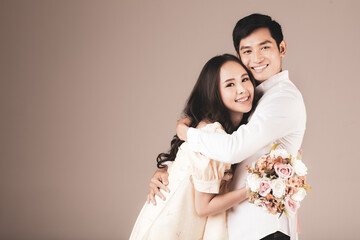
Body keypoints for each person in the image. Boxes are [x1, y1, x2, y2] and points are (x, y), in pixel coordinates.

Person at [148, 14, 306, 240]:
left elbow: (233, 148)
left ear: (282, 48)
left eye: (265, 47)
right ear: (240, 55)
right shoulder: (253, 99)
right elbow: (217, 143)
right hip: (241, 227)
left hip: (265, 227)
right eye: (247, 51)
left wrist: (186, 133)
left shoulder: (282, 98)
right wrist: (167, 169)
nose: (257, 58)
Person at [130, 54, 257, 240]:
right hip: (173, 225)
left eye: (245, 79)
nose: (242, 89)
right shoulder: (213, 134)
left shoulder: (209, 128)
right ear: (215, 93)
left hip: (165, 217)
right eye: (230, 84)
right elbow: (203, 207)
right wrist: (254, 189)